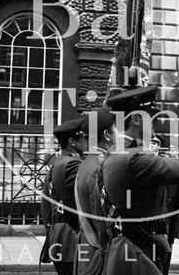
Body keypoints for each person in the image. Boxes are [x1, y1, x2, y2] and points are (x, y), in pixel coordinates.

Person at [100, 86, 179, 274]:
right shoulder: (135, 159)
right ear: (137, 119)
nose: (155, 125)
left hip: (128, 250)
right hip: (139, 256)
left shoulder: (115, 153)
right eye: (152, 119)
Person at [40, 116, 88, 275]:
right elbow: (82, 203)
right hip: (71, 237)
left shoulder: (58, 162)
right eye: (84, 138)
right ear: (72, 142)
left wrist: (51, 229)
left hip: (59, 233)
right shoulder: (73, 165)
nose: (87, 141)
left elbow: (45, 205)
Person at [74, 109, 116, 275]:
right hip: (97, 251)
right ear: (106, 134)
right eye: (116, 129)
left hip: (88, 244)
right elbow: (100, 219)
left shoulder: (86, 163)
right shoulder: (99, 168)